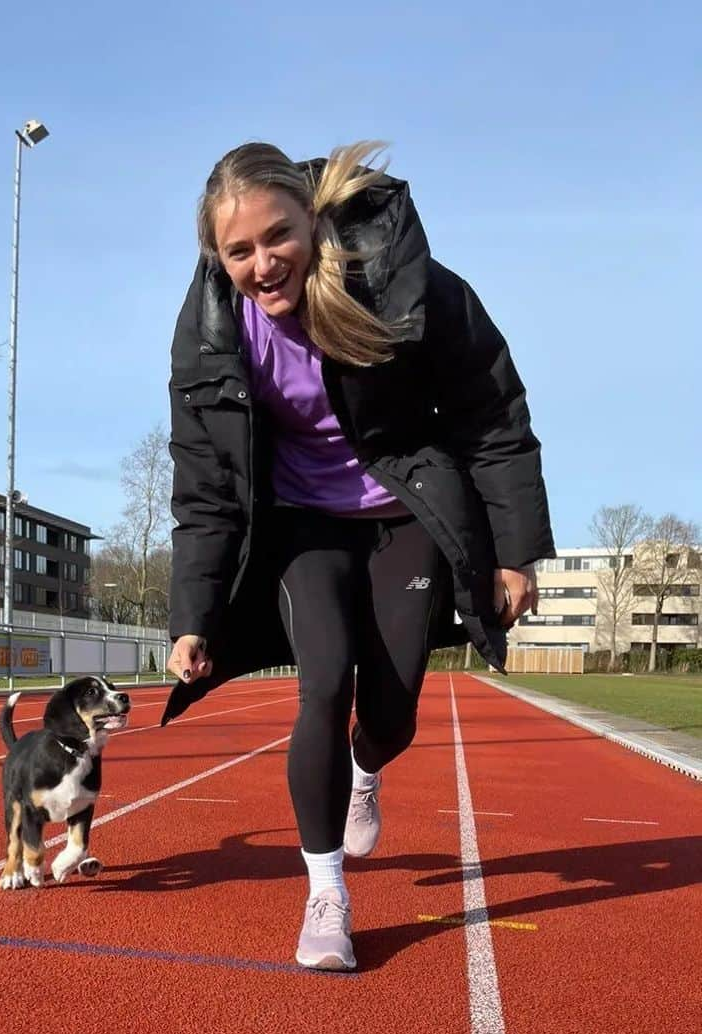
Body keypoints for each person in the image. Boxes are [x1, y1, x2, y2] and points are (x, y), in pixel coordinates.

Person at [161, 141, 554, 971]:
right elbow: (205, 484)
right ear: (216, 254)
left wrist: (515, 553)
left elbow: (492, 413)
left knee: (393, 707)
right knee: (323, 680)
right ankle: (326, 894)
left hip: (402, 505)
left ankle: (366, 767)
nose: (264, 265)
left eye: (278, 238)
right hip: (302, 522)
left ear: (311, 218)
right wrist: (192, 616)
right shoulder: (208, 335)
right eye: (239, 251)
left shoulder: (403, 280)